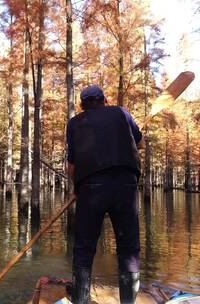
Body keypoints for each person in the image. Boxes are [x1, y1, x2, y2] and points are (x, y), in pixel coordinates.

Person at [66, 85, 143, 304]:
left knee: (84, 247)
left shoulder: (74, 123)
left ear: (82, 105)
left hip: (91, 189)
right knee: (128, 248)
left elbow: (72, 165)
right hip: (125, 188)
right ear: (104, 100)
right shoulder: (121, 113)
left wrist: (76, 188)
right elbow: (140, 144)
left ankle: (80, 300)